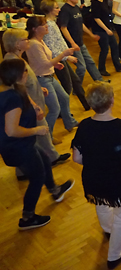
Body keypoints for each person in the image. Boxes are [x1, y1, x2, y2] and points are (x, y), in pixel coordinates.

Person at [72, 82, 121, 269]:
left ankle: (108, 229)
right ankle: (114, 255)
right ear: (111, 101)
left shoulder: (84, 126)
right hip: (118, 182)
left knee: (101, 203)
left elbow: (77, 158)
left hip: (93, 179)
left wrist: (97, 162)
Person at [0, 59, 74, 230]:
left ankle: (55, 190)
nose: (27, 73)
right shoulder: (12, 98)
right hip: (17, 147)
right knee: (37, 177)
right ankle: (27, 217)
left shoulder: (14, 90)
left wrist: (35, 106)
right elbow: (11, 130)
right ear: (19, 75)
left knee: (45, 159)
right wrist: (36, 130)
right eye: (25, 71)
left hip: (22, 144)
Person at [2, 29, 70, 169]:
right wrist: (34, 105)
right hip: (28, 105)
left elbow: (27, 81)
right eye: (25, 39)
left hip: (31, 102)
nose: (28, 41)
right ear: (17, 44)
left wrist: (39, 88)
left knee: (38, 134)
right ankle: (49, 159)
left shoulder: (17, 58)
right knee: (37, 133)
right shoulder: (13, 61)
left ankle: (48, 158)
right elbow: (18, 87)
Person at [26, 16, 79, 136]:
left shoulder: (41, 41)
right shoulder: (34, 44)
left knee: (64, 98)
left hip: (49, 76)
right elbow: (45, 64)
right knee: (54, 109)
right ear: (34, 29)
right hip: (42, 79)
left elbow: (43, 60)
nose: (47, 26)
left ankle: (69, 123)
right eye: (43, 24)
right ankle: (47, 135)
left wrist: (55, 64)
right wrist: (63, 54)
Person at [41, 0, 90, 111]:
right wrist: (67, 57)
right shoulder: (48, 25)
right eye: (56, 8)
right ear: (50, 10)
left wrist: (68, 50)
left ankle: (86, 105)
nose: (59, 10)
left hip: (61, 56)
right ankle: (62, 111)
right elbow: (51, 47)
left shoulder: (53, 23)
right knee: (67, 85)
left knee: (75, 80)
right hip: (57, 59)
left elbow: (59, 41)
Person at [59, 0, 105, 83]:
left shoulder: (76, 8)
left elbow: (81, 24)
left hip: (80, 42)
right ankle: (77, 87)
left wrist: (91, 35)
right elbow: (63, 28)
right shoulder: (65, 10)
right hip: (73, 44)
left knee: (90, 62)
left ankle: (100, 82)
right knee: (81, 67)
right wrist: (72, 43)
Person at [91, 0, 121, 76]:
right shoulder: (95, 3)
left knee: (114, 46)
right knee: (104, 49)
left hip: (107, 28)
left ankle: (118, 66)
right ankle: (101, 69)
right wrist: (106, 29)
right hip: (100, 30)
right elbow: (97, 18)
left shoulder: (104, 0)